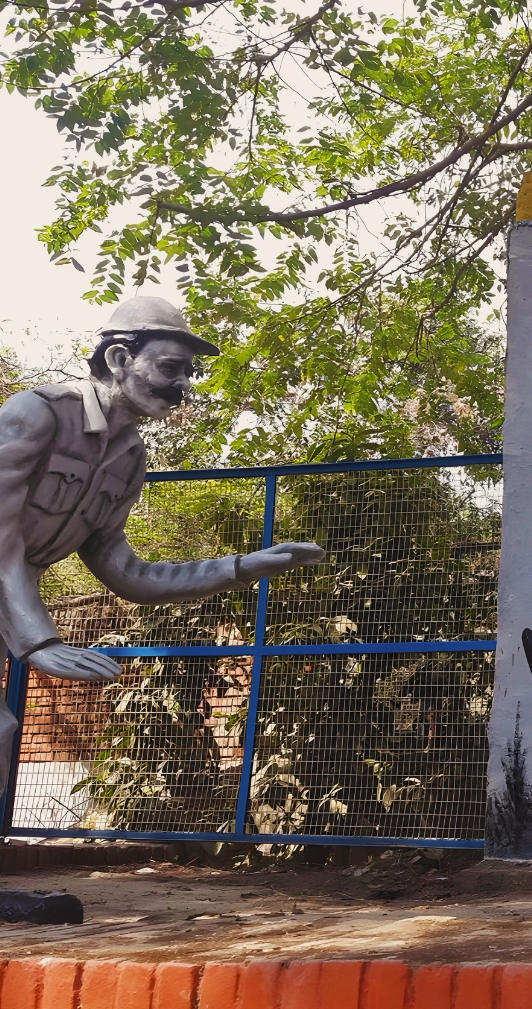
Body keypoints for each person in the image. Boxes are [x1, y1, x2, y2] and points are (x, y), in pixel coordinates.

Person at [0, 296, 324, 799]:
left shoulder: (130, 458)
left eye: (187, 373)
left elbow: (124, 570)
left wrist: (241, 567)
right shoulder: (38, 413)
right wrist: (41, 641)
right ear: (119, 359)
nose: (182, 386)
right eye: (171, 367)